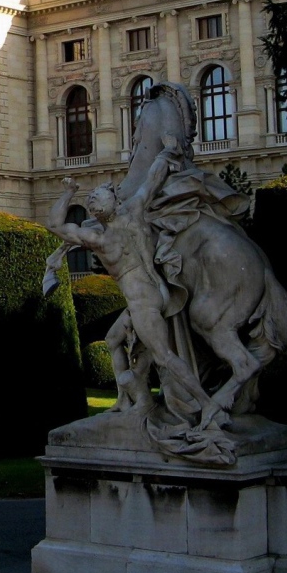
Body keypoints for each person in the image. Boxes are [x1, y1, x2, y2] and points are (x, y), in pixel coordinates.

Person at [45, 136, 215, 422]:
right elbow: (152, 178)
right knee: (113, 340)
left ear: (114, 200)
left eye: (98, 194)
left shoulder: (106, 233)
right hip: (153, 292)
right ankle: (127, 399)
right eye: (90, 198)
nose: (92, 198)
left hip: (143, 301)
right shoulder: (114, 226)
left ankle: (207, 404)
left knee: (164, 357)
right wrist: (166, 152)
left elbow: (55, 225)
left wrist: (69, 193)